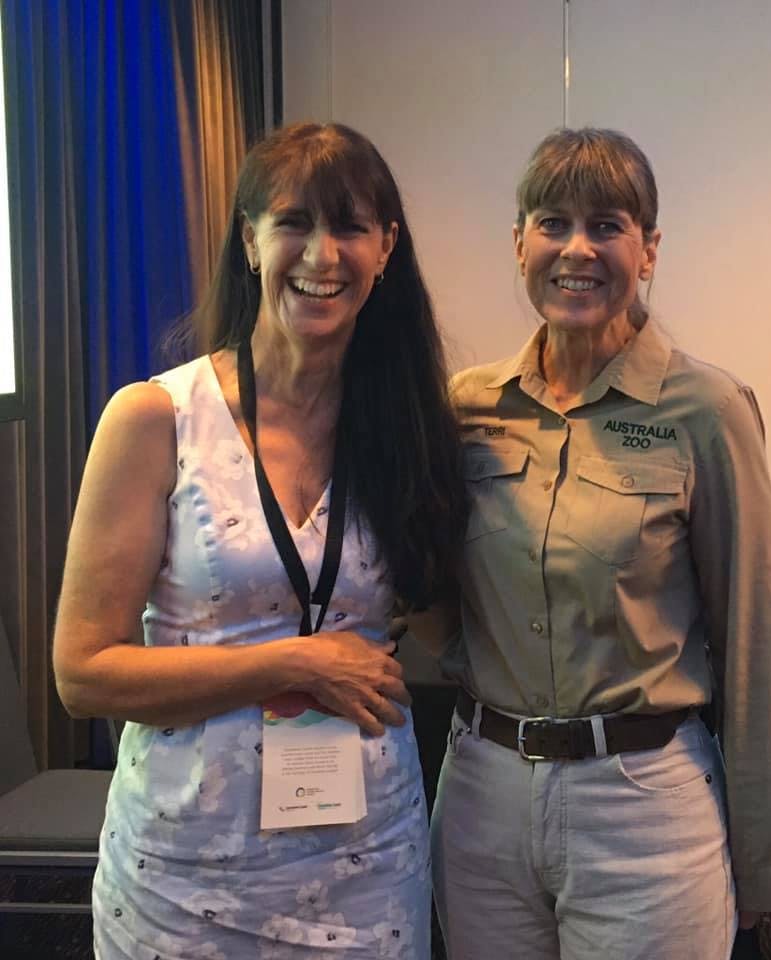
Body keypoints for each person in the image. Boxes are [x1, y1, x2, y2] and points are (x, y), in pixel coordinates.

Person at [53, 122, 467, 959]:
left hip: (367, 867)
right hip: (184, 878)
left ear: (385, 248)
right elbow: (83, 673)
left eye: (350, 226)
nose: (322, 255)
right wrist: (294, 663)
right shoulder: (157, 419)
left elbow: (444, 622)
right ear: (250, 241)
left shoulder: (408, 424)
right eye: (294, 224)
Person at [425, 128, 771, 960]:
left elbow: (754, 650)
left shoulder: (706, 410)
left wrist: (768, 867)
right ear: (518, 242)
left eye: (607, 226)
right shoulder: (466, 406)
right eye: (552, 224)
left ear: (649, 249)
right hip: (484, 799)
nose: (578, 250)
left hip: (643, 807)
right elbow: (430, 591)